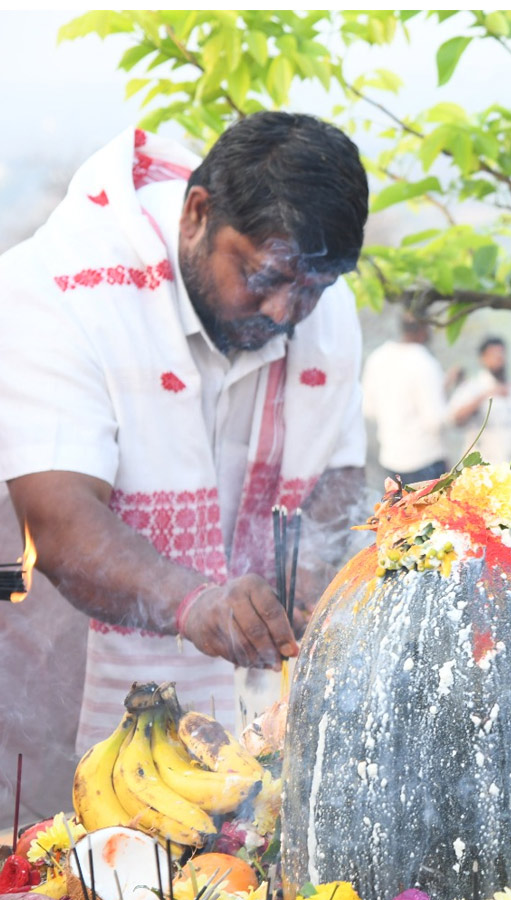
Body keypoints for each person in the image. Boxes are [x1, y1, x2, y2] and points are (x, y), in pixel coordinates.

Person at [0, 111, 370, 750]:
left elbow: (335, 472)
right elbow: (58, 517)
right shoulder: (61, 289)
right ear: (197, 214)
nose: (286, 312)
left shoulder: (321, 306)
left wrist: (306, 582)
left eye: (312, 289)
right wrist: (196, 603)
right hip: (62, 692)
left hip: (237, 716)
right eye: (263, 278)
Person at [362, 313, 452, 484]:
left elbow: (369, 409)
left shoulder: (377, 357)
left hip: (391, 458)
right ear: (425, 329)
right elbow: (435, 420)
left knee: (398, 510)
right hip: (425, 460)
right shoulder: (424, 361)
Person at [448, 336, 511, 473]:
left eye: (501, 353)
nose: (499, 358)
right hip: (485, 472)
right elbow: (456, 419)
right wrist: (486, 395)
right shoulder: (472, 387)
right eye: (493, 354)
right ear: (482, 359)